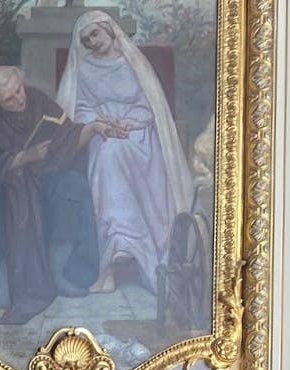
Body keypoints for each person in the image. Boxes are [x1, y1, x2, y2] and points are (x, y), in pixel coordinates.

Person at [0, 64, 113, 326]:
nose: (20, 99)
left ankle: (59, 272)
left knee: (72, 186)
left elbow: (68, 135)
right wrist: (22, 158)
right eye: (10, 98)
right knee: (5, 198)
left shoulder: (37, 99)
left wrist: (94, 128)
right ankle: (3, 280)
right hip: (2, 186)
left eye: (19, 90)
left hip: (42, 179)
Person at [55, 11, 191, 295]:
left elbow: (149, 105)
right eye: (86, 38)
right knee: (108, 156)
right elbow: (79, 108)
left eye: (95, 33)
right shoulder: (84, 68)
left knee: (117, 154)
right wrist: (100, 125)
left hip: (139, 136)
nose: (92, 41)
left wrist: (127, 124)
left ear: (109, 30)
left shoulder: (134, 64)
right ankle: (109, 264)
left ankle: (150, 265)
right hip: (102, 136)